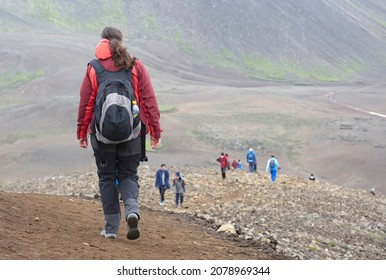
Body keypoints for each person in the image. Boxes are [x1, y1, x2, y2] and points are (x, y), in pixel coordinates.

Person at [77, 26, 161, 240]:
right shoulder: (135, 65)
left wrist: (82, 131)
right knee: (128, 175)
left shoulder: (94, 68)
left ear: (102, 42)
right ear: (120, 42)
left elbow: (87, 103)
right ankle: (132, 211)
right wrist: (155, 130)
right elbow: (149, 99)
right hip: (133, 132)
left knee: (106, 178)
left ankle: (111, 229)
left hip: (102, 134)